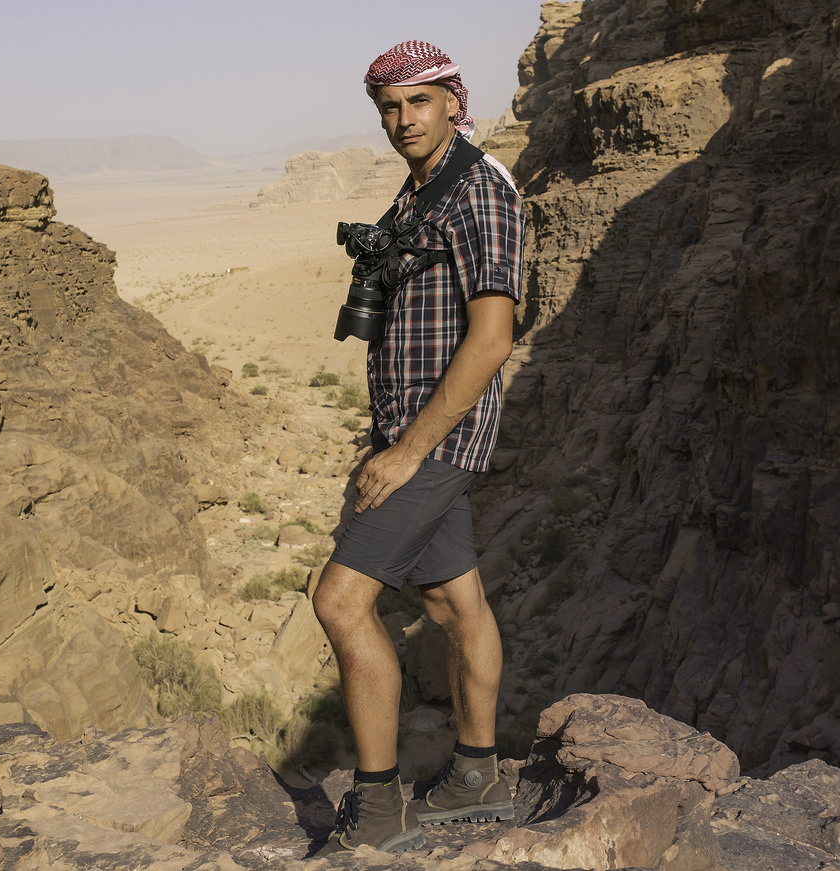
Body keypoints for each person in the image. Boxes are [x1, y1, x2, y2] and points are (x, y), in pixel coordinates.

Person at [310, 39, 522, 856]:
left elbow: (493, 338)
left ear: (451, 101)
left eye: (419, 102)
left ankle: (377, 805)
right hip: (408, 432)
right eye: (390, 108)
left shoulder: (479, 189)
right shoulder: (418, 194)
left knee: (340, 600)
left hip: (437, 440)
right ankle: (479, 775)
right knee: (450, 606)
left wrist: (406, 454)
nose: (404, 120)